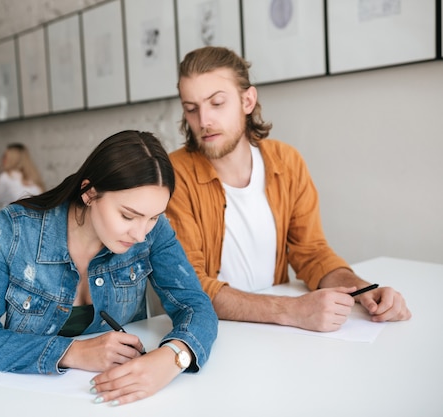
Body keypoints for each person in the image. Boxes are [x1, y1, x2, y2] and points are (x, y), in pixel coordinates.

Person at [0, 130, 217, 406]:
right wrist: (73, 352)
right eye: (127, 216)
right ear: (89, 193)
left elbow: (195, 304)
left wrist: (174, 356)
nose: (140, 234)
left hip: (120, 401)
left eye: (153, 217)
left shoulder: (153, 231)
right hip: (28, 402)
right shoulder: (18, 230)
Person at [166, 46, 411, 332]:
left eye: (217, 103)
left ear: (248, 100)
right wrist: (292, 310)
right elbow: (189, 285)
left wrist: (361, 289)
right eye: (191, 109)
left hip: (278, 332)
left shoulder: (287, 162)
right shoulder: (174, 175)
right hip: (216, 332)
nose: (204, 121)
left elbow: (312, 253)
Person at [0, 143, 45, 207]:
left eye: (4, 156)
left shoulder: (6, 177)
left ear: (11, 159)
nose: (2, 159)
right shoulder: (34, 177)